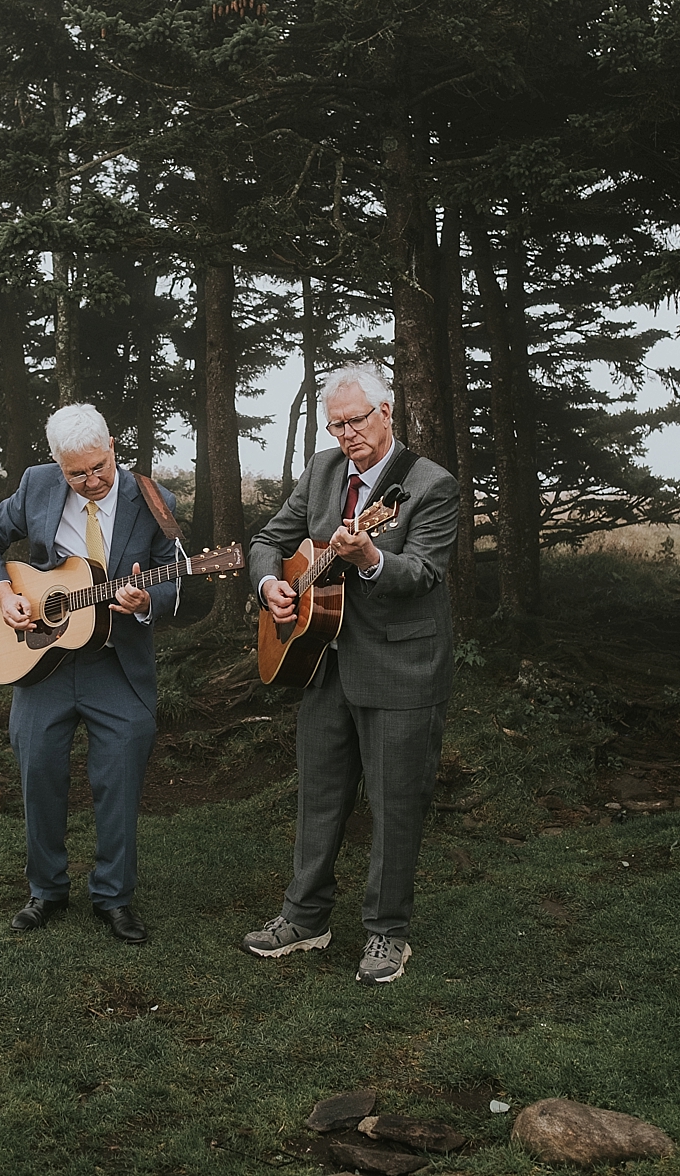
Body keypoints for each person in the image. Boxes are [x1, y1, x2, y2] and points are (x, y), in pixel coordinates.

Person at [243, 364, 458, 985]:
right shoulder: (322, 471)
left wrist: (369, 559)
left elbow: (422, 574)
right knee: (319, 797)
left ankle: (388, 934)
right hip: (321, 660)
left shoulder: (429, 485)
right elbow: (268, 539)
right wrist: (272, 586)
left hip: (401, 666)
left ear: (387, 413)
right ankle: (305, 919)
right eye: (335, 424)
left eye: (356, 421)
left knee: (394, 807)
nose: (345, 434)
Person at [0, 402, 178, 942]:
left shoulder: (154, 500)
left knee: (120, 780)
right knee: (38, 772)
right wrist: (4, 592)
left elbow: (177, 584)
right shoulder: (37, 486)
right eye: (75, 473)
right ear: (58, 464)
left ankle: (114, 897)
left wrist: (144, 599)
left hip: (118, 666)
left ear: (112, 446)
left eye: (98, 468)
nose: (89, 481)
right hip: (44, 661)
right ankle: (46, 891)